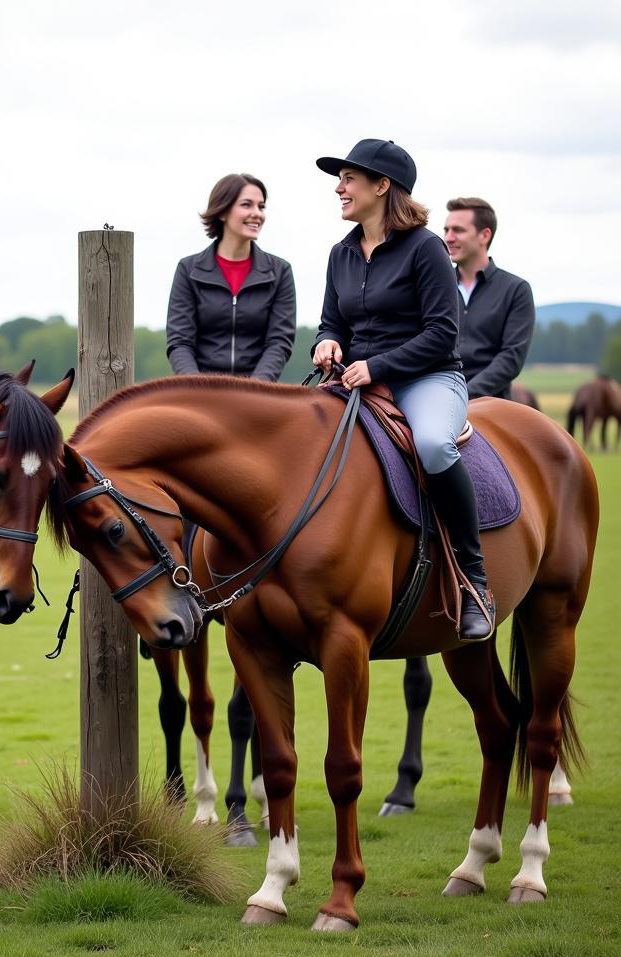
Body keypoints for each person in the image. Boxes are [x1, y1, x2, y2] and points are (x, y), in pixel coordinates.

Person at [312, 139, 494, 642]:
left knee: (435, 446)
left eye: (348, 178)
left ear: (382, 185)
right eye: (340, 179)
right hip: (355, 380)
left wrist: (379, 366)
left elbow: (442, 333)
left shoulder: (426, 248)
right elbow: (332, 321)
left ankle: (475, 581)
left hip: (427, 378)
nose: (339, 187)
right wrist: (326, 342)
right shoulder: (341, 252)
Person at [166, 173, 296, 380]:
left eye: (261, 206)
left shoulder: (280, 271)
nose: (257, 214)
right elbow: (180, 342)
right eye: (247, 205)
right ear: (222, 211)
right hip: (199, 391)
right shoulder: (188, 270)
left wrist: (254, 390)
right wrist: (197, 387)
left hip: (257, 393)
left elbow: (279, 342)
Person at [444, 197, 535, 400]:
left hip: (491, 403)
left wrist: (464, 394)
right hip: (435, 395)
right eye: (446, 230)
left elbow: (511, 358)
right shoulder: (435, 286)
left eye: (458, 230)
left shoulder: (516, 289)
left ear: (484, 235)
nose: (448, 238)